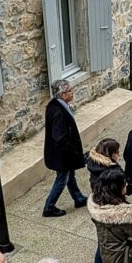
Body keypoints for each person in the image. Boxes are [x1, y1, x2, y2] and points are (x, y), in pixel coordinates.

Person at [84, 137, 131, 263]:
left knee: (103, 242)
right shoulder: (112, 171)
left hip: (98, 209)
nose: (119, 154)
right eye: (117, 151)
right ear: (110, 154)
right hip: (110, 211)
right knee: (118, 241)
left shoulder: (94, 165)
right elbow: (119, 190)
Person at [42, 78, 87, 217]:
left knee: (69, 175)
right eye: (69, 91)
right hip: (61, 155)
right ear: (62, 94)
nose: (72, 93)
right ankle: (49, 207)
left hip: (61, 154)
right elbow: (60, 137)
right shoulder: (57, 112)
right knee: (62, 178)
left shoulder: (56, 105)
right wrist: (72, 152)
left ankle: (78, 198)